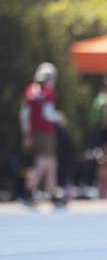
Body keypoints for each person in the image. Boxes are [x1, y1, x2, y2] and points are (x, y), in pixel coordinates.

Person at [19, 62, 67, 206]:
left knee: (52, 163)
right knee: (43, 162)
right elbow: (48, 113)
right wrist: (60, 118)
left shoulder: (30, 91)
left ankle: (52, 191)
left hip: (35, 133)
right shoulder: (48, 92)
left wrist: (27, 134)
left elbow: (24, 115)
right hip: (46, 132)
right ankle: (27, 190)